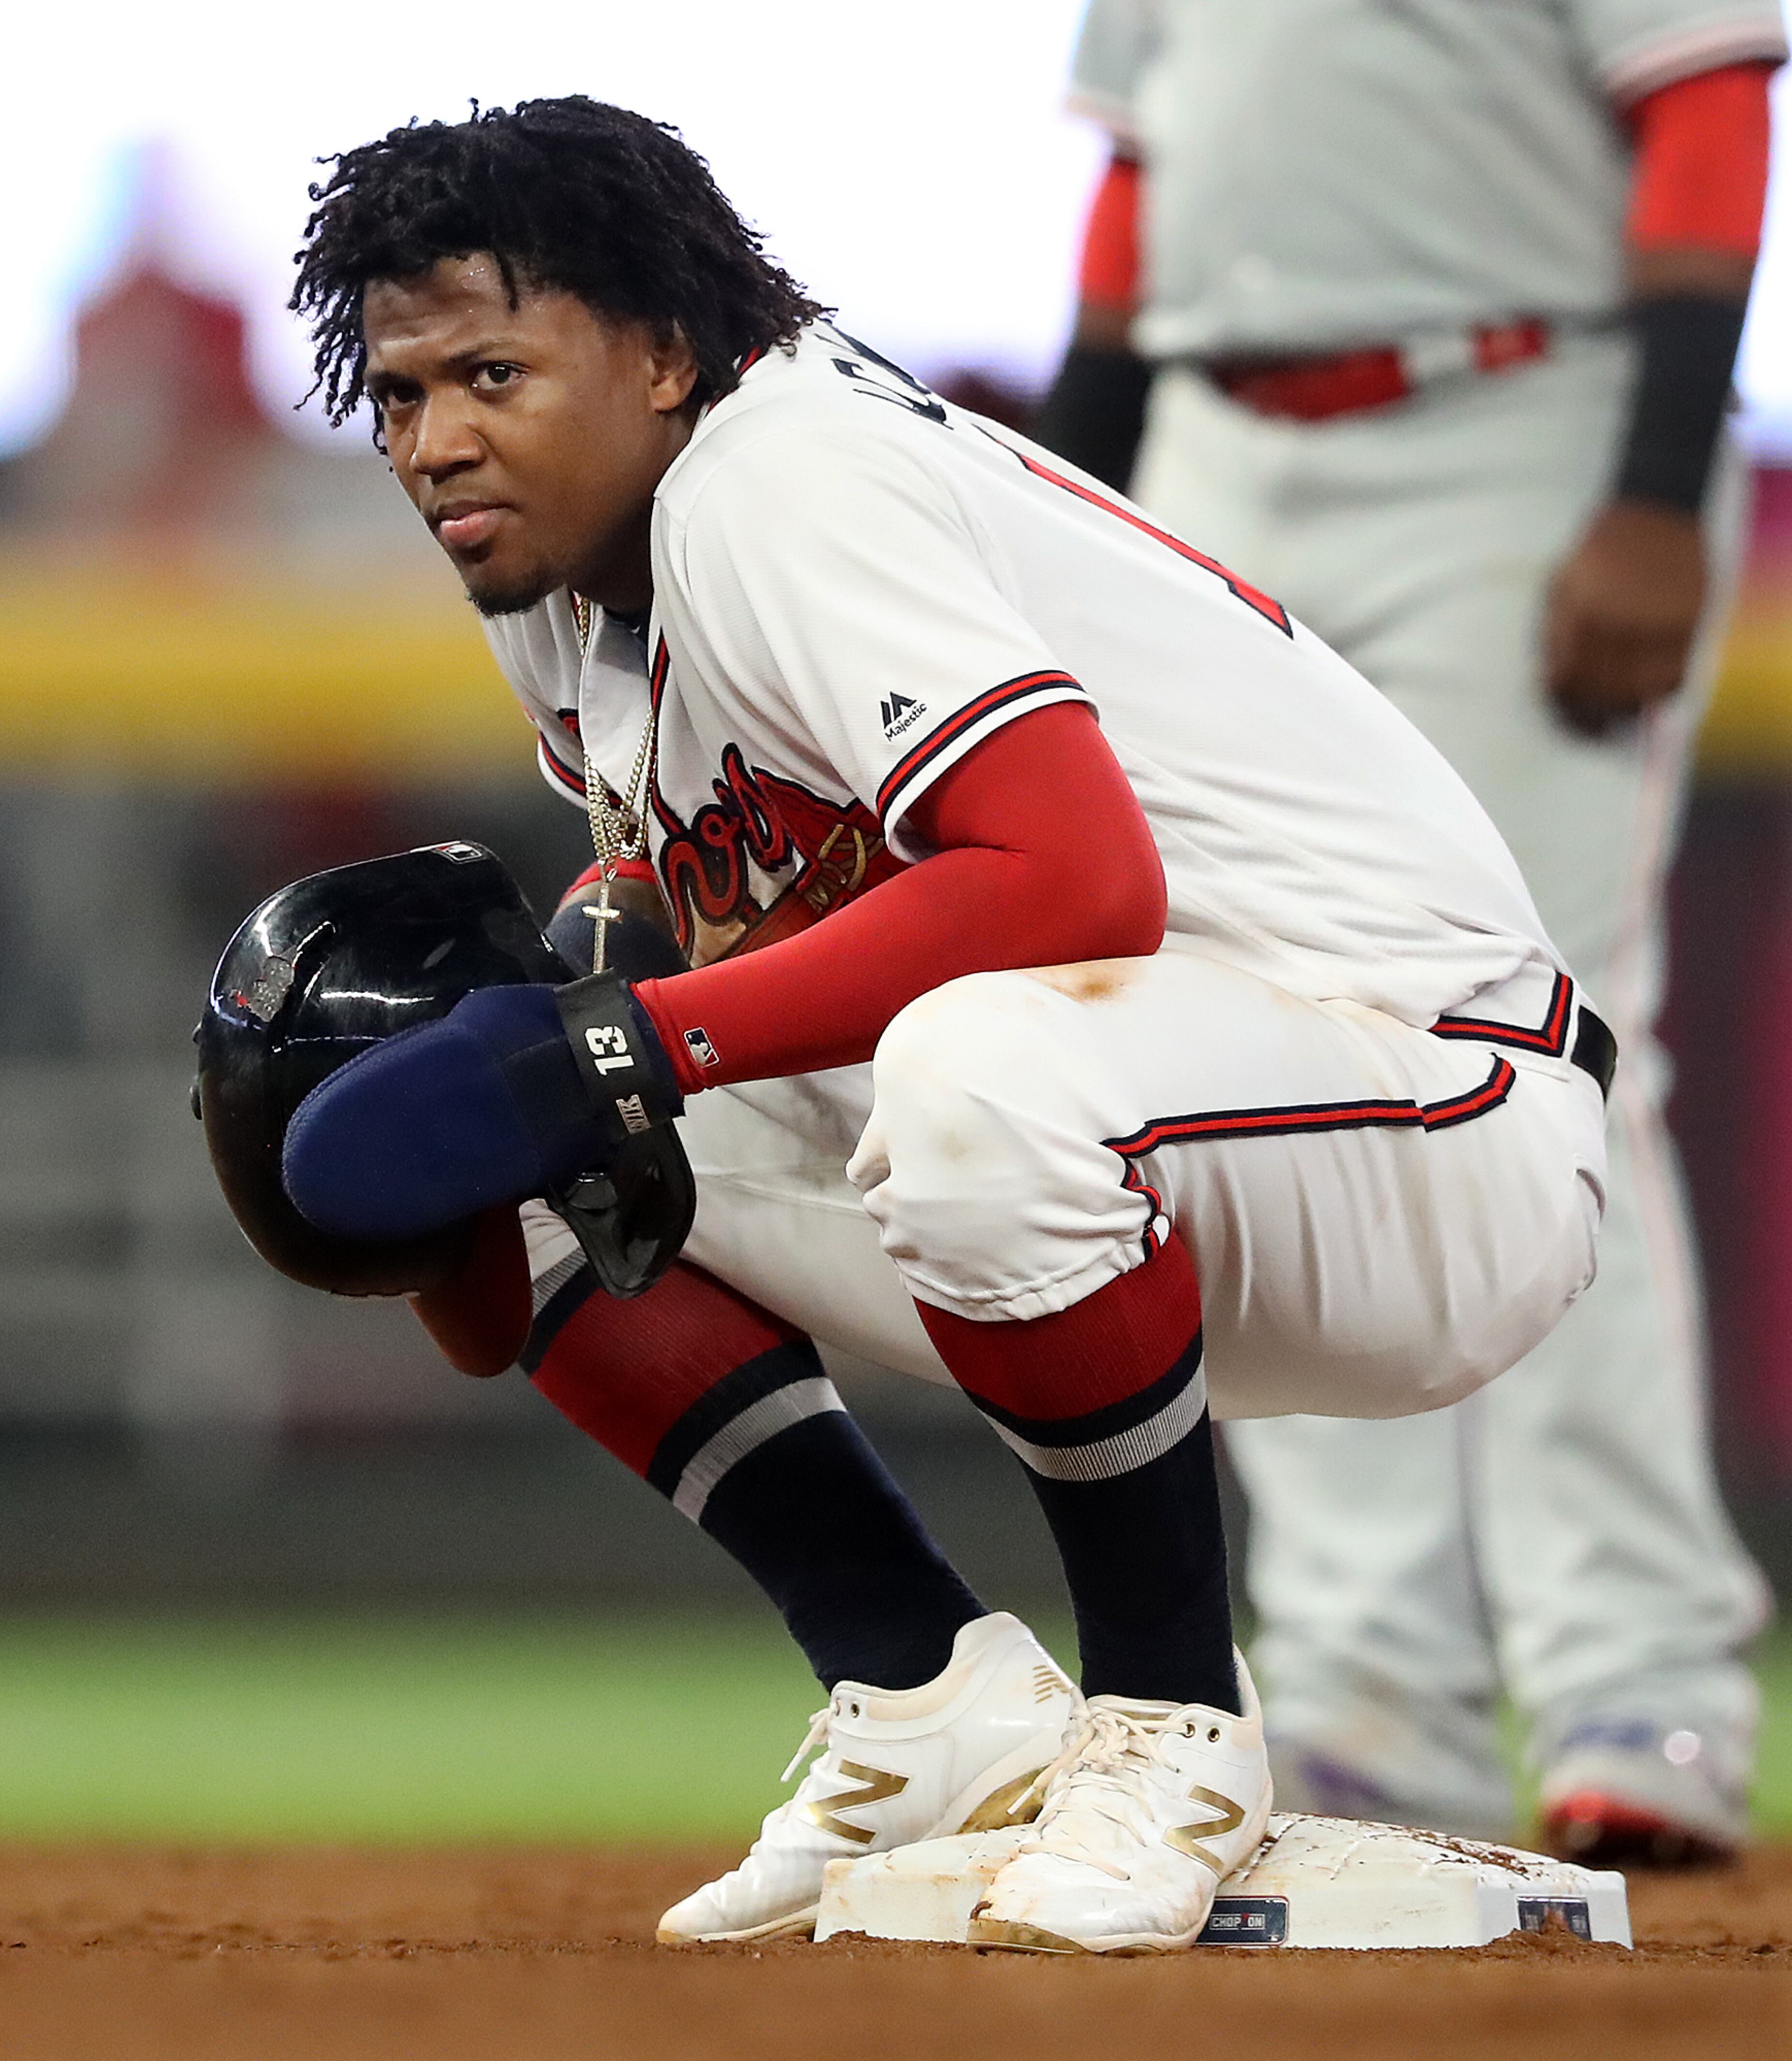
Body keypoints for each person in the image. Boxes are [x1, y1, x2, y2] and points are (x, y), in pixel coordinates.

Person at [274, 96, 1610, 1952]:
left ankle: (1171, 1727)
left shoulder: (778, 473)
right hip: (1180, 1110)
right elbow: (712, 909)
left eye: (491, 371)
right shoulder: (565, 565)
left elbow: (1073, 886)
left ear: (663, 355)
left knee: (948, 1072)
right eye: (401, 395)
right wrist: (526, 1050)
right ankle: (924, 1700)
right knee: (498, 1056)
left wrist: (610, 1047)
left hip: (1440, 1107)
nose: (435, 441)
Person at [1034, 0, 1782, 1862]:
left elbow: (1707, 110)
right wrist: (1060, 520)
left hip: (1522, 425)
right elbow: (1138, 190)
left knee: (1562, 1048)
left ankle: (1640, 1678)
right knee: (1247, 1063)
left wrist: (1654, 484)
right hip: (1216, 448)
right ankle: (1373, 1694)